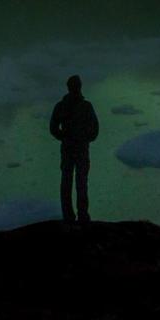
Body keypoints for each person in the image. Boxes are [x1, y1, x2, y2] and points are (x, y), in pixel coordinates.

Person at [50, 74, 99, 224]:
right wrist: (85, 138)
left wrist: (64, 137)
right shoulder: (85, 106)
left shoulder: (62, 106)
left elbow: (53, 128)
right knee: (80, 182)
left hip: (69, 149)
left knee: (68, 182)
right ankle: (82, 215)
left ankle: (70, 215)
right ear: (79, 87)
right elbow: (95, 129)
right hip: (79, 149)